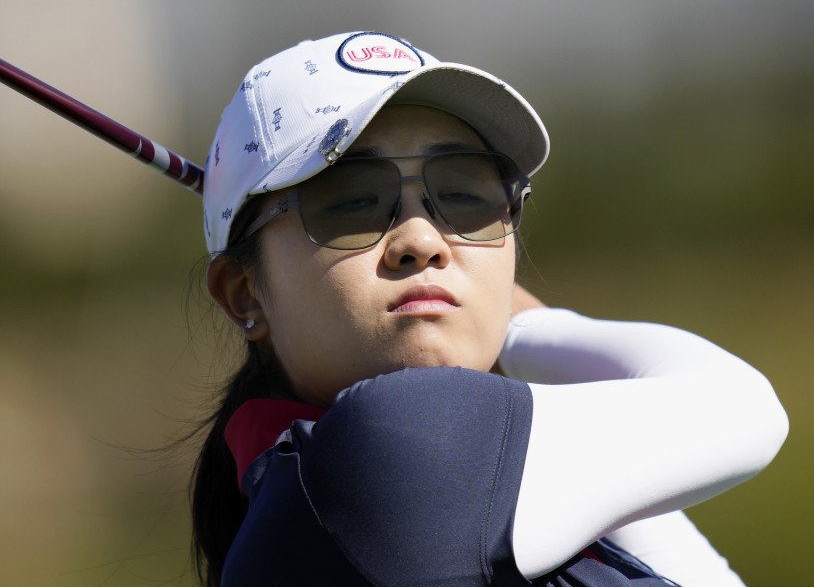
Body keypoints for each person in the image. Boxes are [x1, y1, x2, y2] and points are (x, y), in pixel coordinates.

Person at [191, 31, 788, 586]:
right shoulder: (382, 454)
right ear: (246, 292)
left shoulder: (307, 499)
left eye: (462, 195)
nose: (423, 241)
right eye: (350, 203)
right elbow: (748, 410)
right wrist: (528, 328)